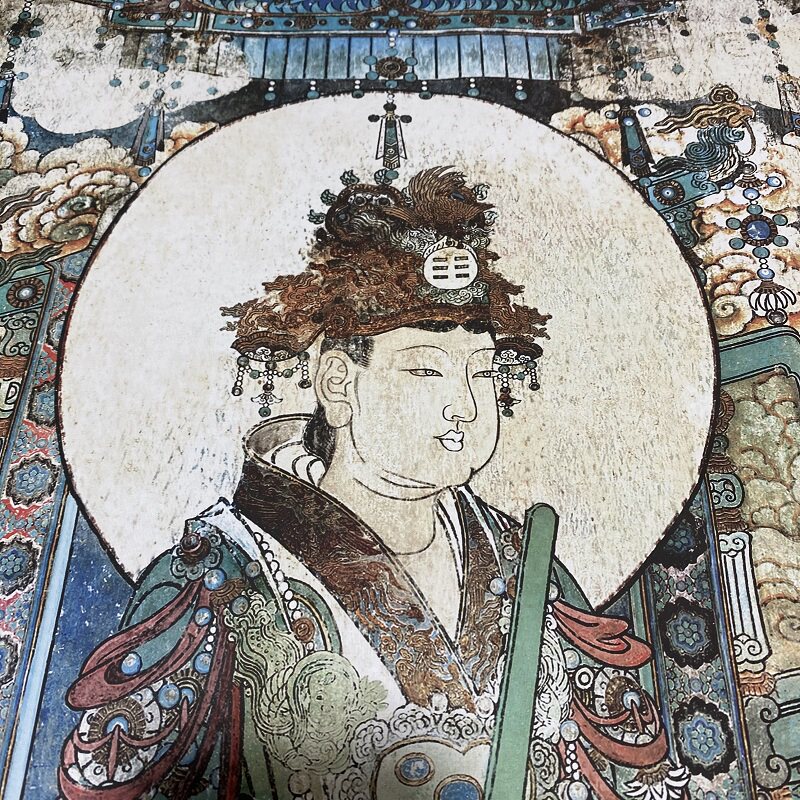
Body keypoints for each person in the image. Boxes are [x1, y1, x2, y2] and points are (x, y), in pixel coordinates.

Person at [59, 167, 684, 800]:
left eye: (482, 372)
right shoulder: (222, 576)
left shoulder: (526, 561)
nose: (466, 407)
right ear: (339, 384)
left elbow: (623, 773)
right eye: (425, 372)